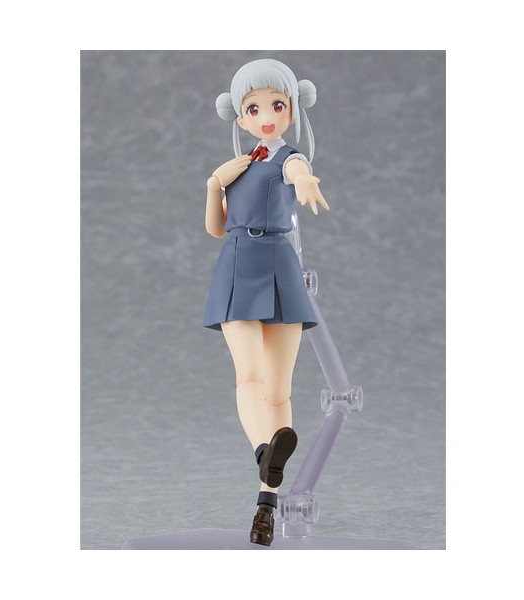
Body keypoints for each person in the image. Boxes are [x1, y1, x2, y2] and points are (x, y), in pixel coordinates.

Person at [203, 59, 329, 545]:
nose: (267, 116)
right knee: (249, 376)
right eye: (253, 108)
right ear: (239, 115)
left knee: (278, 392)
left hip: (279, 265)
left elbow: (297, 168)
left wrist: (305, 179)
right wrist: (214, 184)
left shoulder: (287, 158)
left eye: (277, 105)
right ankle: (263, 453)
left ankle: (266, 503)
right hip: (238, 264)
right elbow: (216, 227)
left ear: (293, 108)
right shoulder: (239, 165)